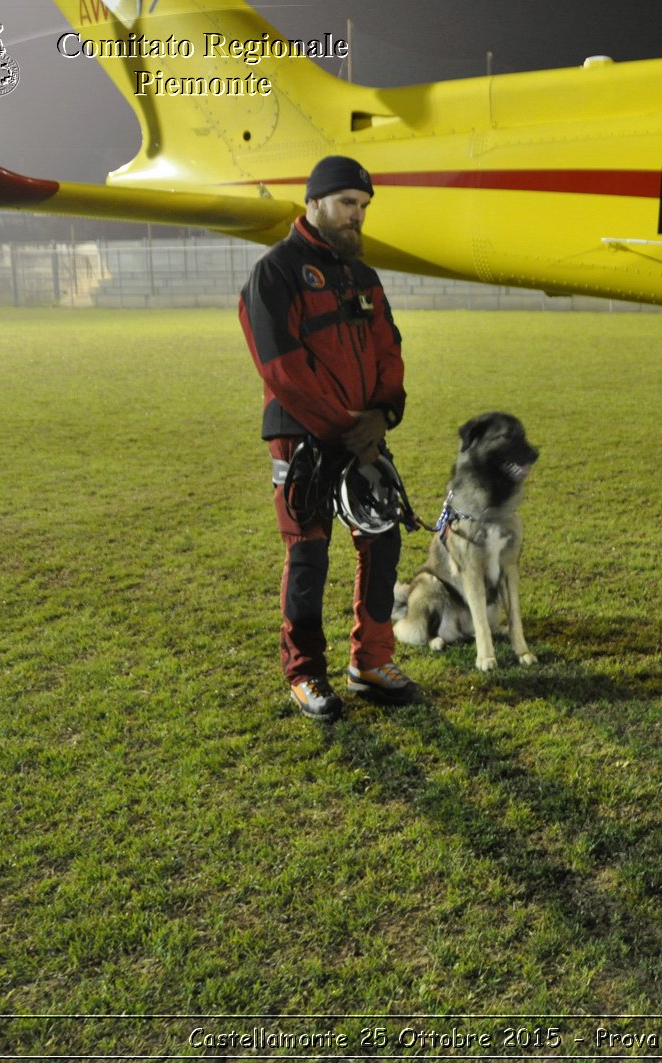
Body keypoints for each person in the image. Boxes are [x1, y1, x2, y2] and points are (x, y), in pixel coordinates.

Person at [239, 155, 421, 721]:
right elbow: (282, 369)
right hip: (304, 441)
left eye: (363, 207)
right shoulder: (276, 273)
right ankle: (306, 674)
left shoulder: (363, 277)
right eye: (347, 204)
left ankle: (370, 661)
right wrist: (346, 427)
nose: (357, 217)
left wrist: (384, 413)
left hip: (366, 435)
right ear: (312, 201)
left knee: (383, 542)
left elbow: (389, 351)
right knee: (309, 554)